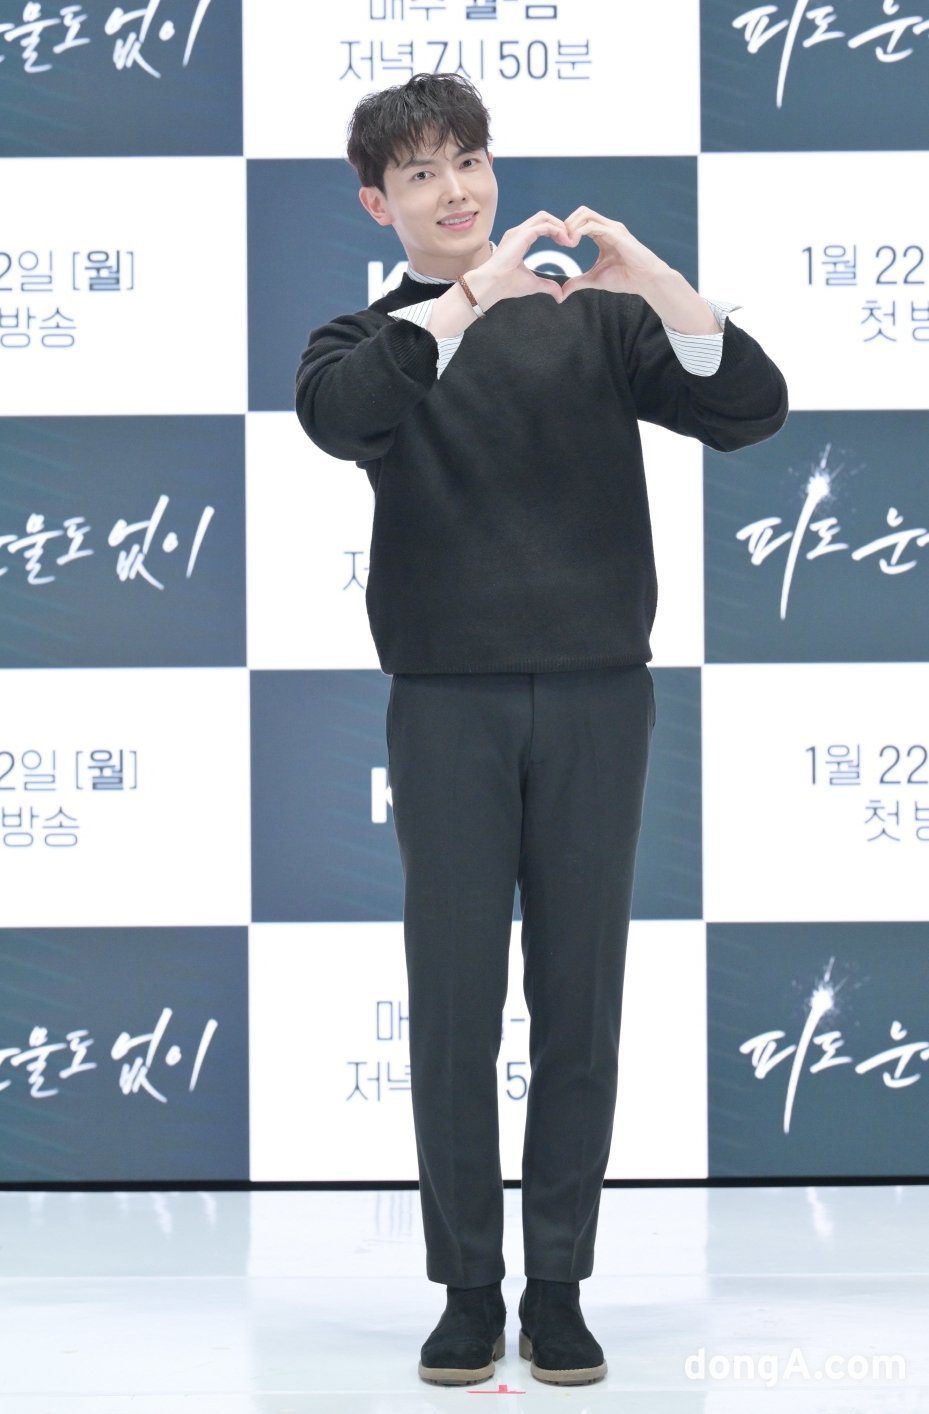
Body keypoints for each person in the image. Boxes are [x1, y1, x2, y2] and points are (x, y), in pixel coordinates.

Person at [296, 72, 787, 1388]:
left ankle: (557, 1286)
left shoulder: (599, 324)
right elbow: (341, 419)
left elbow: (750, 409)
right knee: (455, 1006)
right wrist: (468, 301)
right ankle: (468, 1289)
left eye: (468, 160)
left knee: (580, 999)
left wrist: (655, 283)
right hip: (444, 702)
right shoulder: (365, 340)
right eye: (420, 174)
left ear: (492, 168)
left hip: (597, 695)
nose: (455, 190)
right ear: (379, 204)